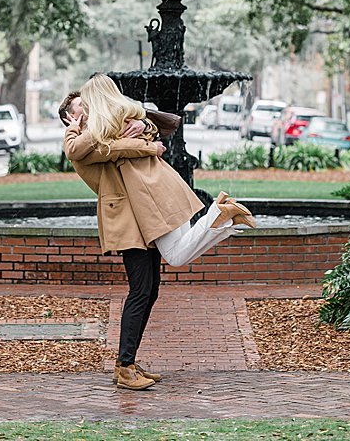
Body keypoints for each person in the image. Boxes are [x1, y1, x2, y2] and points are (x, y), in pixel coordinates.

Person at [59, 76, 255, 391]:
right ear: (71, 116)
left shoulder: (108, 128)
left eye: (87, 104)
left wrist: (146, 129)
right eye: (78, 109)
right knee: (141, 290)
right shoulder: (86, 140)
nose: (87, 109)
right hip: (128, 222)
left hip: (142, 213)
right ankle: (124, 367)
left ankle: (128, 362)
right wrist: (145, 142)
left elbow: (142, 128)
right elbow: (87, 148)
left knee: (150, 290)